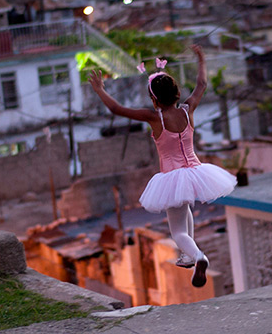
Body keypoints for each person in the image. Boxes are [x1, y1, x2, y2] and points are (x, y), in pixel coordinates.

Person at [89, 45, 237, 288]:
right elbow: (201, 85)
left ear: (154, 98)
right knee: (185, 207)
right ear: (177, 92)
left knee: (177, 231)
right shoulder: (188, 110)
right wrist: (201, 59)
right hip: (195, 171)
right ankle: (190, 256)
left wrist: (100, 90)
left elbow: (116, 109)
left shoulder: (153, 117)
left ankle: (198, 256)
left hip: (171, 177)